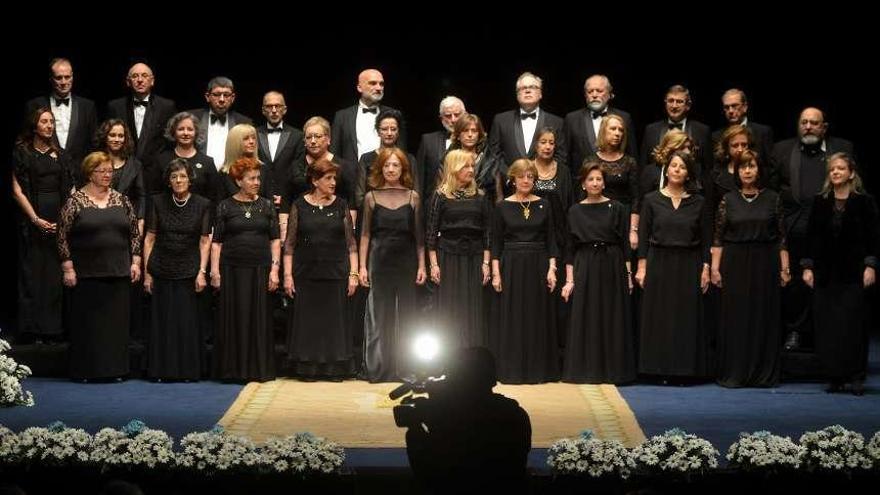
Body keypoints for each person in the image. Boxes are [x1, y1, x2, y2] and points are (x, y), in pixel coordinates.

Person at [771, 107, 856, 351]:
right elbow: (774, 188)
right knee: (795, 285)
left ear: (824, 127)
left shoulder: (842, 148)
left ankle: (824, 334)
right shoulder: (782, 149)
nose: (808, 127)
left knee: (826, 284)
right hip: (793, 229)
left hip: (830, 230)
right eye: (804, 122)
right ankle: (795, 332)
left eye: (814, 123)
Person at [58, 152, 141, 381]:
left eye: (110, 171)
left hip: (118, 271)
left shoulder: (121, 200)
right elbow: (62, 236)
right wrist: (68, 268)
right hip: (87, 274)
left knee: (115, 325)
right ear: (89, 173)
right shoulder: (75, 201)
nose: (107, 175)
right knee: (89, 325)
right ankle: (86, 371)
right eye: (101, 171)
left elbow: (134, 232)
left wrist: (135, 261)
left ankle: (115, 370)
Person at [404, 346, 531, 495]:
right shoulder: (515, 414)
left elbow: (426, 474)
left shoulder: (445, 417)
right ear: (492, 379)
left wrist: (415, 430)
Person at [711, 150, 789, 387]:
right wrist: (715, 269)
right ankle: (736, 372)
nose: (747, 171)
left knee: (763, 316)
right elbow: (718, 239)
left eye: (752, 166)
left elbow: (782, 239)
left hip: (765, 262)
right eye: (743, 167)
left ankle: (762, 373)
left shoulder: (773, 198)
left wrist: (784, 268)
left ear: (759, 170)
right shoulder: (728, 200)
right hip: (734, 263)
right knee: (736, 318)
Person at [802, 153, 878, 395]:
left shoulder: (864, 202)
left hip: (853, 273)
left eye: (841, 168)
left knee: (853, 324)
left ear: (851, 173)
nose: (835, 172)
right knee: (829, 326)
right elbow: (811, 237)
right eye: (832, 169)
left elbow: (873, 236)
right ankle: (834, 376)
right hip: (826, 274)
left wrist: (871, 265)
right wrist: (807, 266)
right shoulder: (820, 201)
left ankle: (855, 375)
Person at [635, 151, 711, 380]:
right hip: (659, 262)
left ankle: (685, 370)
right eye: (674, 166)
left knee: (685, 317)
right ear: (666, 170)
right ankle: (658, 370)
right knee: (660, 316)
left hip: (689, 263)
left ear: (689, 174)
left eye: (682, 167)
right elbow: (644, 235)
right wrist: (642, 268)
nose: (677, 169)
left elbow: (707, 238)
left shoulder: (699, 202)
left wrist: (706, 268)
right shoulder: (651, 199)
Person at [284, 159, 358, 381]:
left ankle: (334, 368)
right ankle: (308, 367)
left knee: (334, 323)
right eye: (328, 178)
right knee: (309, 322)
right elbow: (289, 243)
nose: (333, 182)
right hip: (306, 274)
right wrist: (287, 275)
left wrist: (353, 274)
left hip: (335, 273)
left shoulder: (341, 205)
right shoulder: (299, 205)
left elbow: (351, 244)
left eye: (334, 178)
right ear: (315, 181)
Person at [561, 162, 635, 383]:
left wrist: (628, 275)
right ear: (583, 183)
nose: (595, 183)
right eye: (591, 179)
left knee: (612, 315)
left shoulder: (618, 208)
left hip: (612, 262)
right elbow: (569, 247)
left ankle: (614, 370)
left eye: (599, 179)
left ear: (604, 182)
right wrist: (569, 280)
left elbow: (624, 243)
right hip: (585, 263)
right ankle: (586, 370)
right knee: (588, 314)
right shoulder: (575, 210)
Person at [358, 148, 426, 382]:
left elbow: (420, 237)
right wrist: (362, 267)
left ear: (403, 169)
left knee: (406, 316)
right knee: (379, 315)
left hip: (406, 260)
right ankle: (378, 369)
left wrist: (422, 266)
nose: (391, 169)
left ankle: (405, 368)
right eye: (387, 165)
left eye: (395, 165)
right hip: (379, 259)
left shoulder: (413, 197)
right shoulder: (371, 197)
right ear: (380, 168)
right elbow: (365, 235)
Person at [210, 157, 280, 382]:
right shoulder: (225, 206)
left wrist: (274, 270)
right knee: (234, 319)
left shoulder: (267, 205)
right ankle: (233, 370)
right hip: (231, 270)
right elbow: (217, 242)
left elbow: (275, 240)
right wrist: (215, 272)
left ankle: (258, 369)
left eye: (258, 178)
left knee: (259, 319)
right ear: (239, 180)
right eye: (251, 178)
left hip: (260, 269)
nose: (257, 182)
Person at [490, 159, 558, 383]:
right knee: (514, 317)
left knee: (536, 316)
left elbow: (552, 241)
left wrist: (552, 269)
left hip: (538, 264)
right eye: (521, 176)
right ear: (513, 179)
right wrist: (496, 273)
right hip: (511, 266)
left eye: (530, 176)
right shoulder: (502, 206)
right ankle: (513, 370)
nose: (526, 180)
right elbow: (496, 243)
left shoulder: (544, 204)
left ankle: (538, 370)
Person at [142, 159, 212, 381]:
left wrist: (202, 272)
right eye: (174, 177)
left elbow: (204, 241)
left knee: (187, 323)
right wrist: (147, 273)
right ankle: (161, 371)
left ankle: (188, 372)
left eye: (182, 176)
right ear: (168, 181)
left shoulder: (203, 204)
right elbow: (150, 239)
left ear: (190, 179)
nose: (179, 180)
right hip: (161, 268)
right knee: (163, 323)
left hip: (189, 270)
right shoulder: (158, 202)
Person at [11, 107, 74, 343]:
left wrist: (63, 222)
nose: (49, 126)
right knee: (32, 274)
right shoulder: (21, 152)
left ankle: (53, 330)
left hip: (58, 221)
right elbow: (16, 190)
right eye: (44, 122)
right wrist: (35, 219)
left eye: (51, 122)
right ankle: (32, 330)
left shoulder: (62, 154)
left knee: (54, 276)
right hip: (32, 219)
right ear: (34, 126)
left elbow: (70, 189)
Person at [426, 149, 492, 349]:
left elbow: (487, 232)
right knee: (450, 307)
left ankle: (473, 357)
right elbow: (431, 232)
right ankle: (449, 356)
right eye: (466, 166)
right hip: (448, 256)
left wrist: (486, 263)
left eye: (472, 166)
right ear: (453, 168)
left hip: (474, 256)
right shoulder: (440, 196)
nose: (471, 170)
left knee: (473, 307)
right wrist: (434, 265)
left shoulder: (480, 197)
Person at [25, 58, 97, 167]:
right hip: (44, 173)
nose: (63, 82)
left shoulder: (87, 106)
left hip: (79, 174)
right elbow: (27, 141)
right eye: (58, 78)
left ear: (72, 77)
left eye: (67, 77)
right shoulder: (35, 105)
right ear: (51, 79)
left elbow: (94, 144)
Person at [563, 74, 638, 177]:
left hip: (617, 185)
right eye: (590, 91)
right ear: (585, 95)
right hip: (581, 185)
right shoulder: (572, 119)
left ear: (609, 94)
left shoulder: (624, 118)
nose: (594, 95)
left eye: (599, 91)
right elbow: (565, 158)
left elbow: (632, 154)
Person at [488, 72, 565, 169]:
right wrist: (510, 177)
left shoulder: (557, 122)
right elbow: (494, 155)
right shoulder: (500, 120)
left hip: (544, 181)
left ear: (540, 93)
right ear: (517, 95)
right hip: (508, 182)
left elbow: (561, 156)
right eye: (523, 88)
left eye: (532, 87)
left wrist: (543, 176)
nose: (527, 90)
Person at [640, 85, 712, 188]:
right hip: (656, 192)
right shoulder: (651, 130)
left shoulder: (702, 131)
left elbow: (708, 169)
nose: (674, 106)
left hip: (692, 191)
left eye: (679, 102)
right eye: (670, 101)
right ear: (665, 103)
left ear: (688, 105)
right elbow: (644, 165)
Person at [105, 62, 177, 163]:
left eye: (144, 76)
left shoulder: (166, 106)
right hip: (124, 166)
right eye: (135, 76)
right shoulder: (115, 107)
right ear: (128, 82)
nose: (139, 80)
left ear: (152, 81)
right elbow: (106, 139)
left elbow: (172, 141)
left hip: (156, 169)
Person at [331, 68, 407, 162]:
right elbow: (334, 153)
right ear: (359, 88)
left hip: (386, 173)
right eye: (373, 83)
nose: (379, 88)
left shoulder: (394, 114)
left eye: (381, 84)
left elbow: (401, 150)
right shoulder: (342, 116)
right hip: (353, 175)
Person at [587, 114, 640, 250]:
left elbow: (635, 199)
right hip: (596, 218)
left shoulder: (630, 162)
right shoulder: (590, 161)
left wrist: (633, 230)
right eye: (613, 129)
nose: (617, 133)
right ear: (603, 131)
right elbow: (583, 197)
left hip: (623, 219)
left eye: (620, 130)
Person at [150, 111, 219, 200]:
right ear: (173, 132)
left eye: (190, 129)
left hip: (200, 212)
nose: (185, 133)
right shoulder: (161, 160)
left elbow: (214, 197)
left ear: (196, 132)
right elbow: (154, 193)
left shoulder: (207, 162)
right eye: (181, 129)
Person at [356, 109, 418, 207]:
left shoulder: (409, 159)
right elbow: (359, 196)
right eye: (384, 129)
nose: (389, 133)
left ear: (398, 132)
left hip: (403, 214)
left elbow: (415, 192)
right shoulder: (366, 159)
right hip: (373, 216)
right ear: (378, 131)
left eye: (393, 129)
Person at [94, 119, 146, 229]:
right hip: (98, 219)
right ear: (105, 137)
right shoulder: (94, 162)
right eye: (112, 135)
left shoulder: (135, 165)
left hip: (125, 221)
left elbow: (141, 195)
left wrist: (141, 220)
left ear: (125, 139)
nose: (117, 139)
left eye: (121, 136)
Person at [257, 91, 305, 211]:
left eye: (277, 106)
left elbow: (298, 170)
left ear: (284, 109)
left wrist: (284, 197)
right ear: (263, 110)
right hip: (258, 200)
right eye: (269, 106)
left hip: (288, 201)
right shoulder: (253, 134)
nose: (274, 110)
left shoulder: (297, 136)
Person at [189, 76, 252, 167]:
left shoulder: (243, 122)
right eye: (216, 94)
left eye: (226, 95)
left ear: (232, 98)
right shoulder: (192, 118)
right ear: (207, 97)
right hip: (199, 175)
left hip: (232, 176)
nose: (222, 99)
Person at [416, 96, 466, 199]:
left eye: (457, 115)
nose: (453, 120)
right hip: (435, 205)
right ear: (441, 118)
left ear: (465, 115)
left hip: (467, 204)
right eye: (448, 116)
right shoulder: (428, 141)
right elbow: (419, 180)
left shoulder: (475, 141)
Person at [446, 113, 503, 203]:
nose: (470, 135)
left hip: (485, 210)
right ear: (458, 135)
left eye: (474, 131)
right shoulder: (448, 159)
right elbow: (441, 190)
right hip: (455, 208)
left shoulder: (490, 160)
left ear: (479, 134)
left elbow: (498, 196)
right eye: (465, 130)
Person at [711, 88, 774, 165]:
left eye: (734, 106)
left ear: (745, 107)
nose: (730, 111)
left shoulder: (762, 132)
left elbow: (770, 167)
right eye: (726, 107)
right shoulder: (716, 136)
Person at [217, 124, 274, 200]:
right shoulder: (224, 173)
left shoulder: (263, 168)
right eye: (246, 138)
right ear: (234, 142)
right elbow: (219, 205)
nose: (251, 142)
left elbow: (270, 202)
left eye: (253, 138)